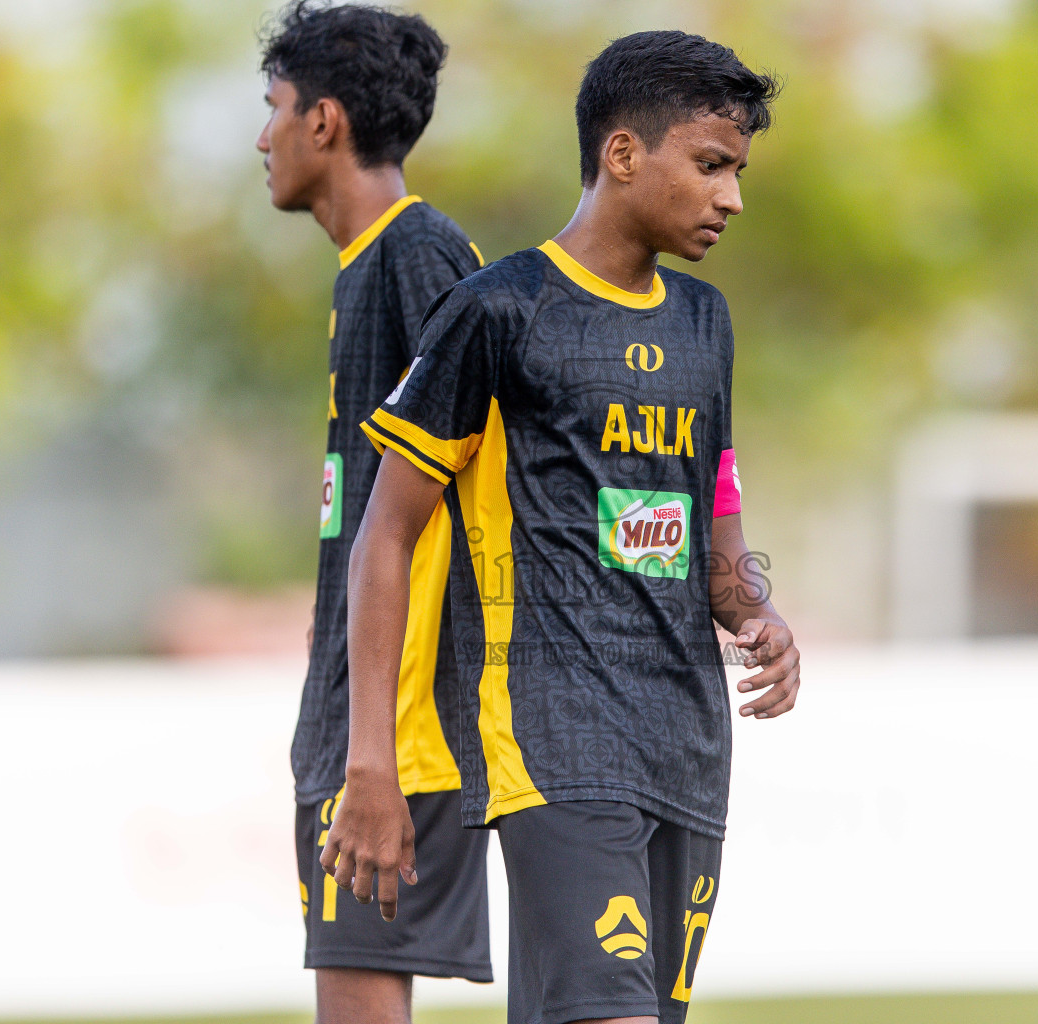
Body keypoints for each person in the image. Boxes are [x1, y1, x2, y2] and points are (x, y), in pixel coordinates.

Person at [326, 29, 800, 1024]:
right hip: (549, 738)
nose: (732, 198)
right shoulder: (498, 310)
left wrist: (758, 613)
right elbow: (385, 536)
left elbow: (707, 516)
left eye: (739, 172)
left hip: (686, 739)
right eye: (712, 166)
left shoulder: (705, 322)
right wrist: (371, 758)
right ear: (624, 153)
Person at [256, 3, 490, 1021]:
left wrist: (372, 760)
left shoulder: (419, 254)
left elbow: (479, 497)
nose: (260, 137)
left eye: (272, 109)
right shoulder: (371, 267)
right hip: (359, 722)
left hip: (397, 732)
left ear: (324, 121)